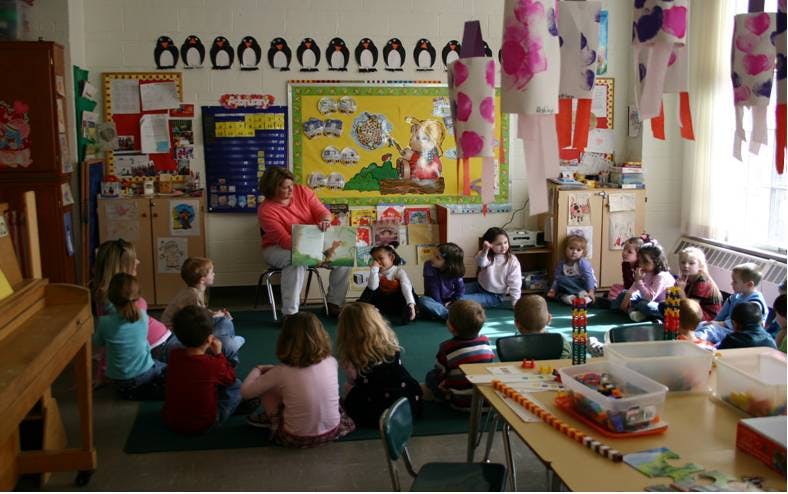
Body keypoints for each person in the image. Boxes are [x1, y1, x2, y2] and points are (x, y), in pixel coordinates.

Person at [240, 312, 355, 447]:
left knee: (268, 385)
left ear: (285, 340)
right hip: (332, 431)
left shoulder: (281, 371)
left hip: (295, 437)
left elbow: (245, 392)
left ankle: (271, 419)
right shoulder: (331, 361)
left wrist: (258, 369)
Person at [257, 167, 350, 317]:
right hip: (277, 248)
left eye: (291, 185)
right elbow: (285, 241)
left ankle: (334, 303)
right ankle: (291, 314)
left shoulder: (303, 191)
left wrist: (325, 220)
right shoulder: (266, 210)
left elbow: (323, 212)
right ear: (273, 188)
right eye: (286, 187)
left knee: (343, 257)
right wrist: (314, 256)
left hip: (313, 243)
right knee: (296, 261)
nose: (291, 190)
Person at [336, 302, 423, 427]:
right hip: (407, 405)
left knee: (348, 387)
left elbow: (353, 381)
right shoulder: (391, 345)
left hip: (377, 412)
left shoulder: (353, 357)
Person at [163, 306, 242, 434]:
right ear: (209, 338)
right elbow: (231, 378)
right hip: (203, 424)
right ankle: (226, 409)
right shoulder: (213, 364)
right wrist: (219, 354)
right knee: (237, 385)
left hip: (172, 421)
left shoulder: (174, 355)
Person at [92, 239, 174, 361]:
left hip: (160, 339)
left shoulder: (103, 292)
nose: (138, 262)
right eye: (133, 260)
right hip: (157, 345)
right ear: (121, 265)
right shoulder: (115, 298)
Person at [93, 273, 166, 400]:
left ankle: (140, 391)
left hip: (119, 384)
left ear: (111, 298)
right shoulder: (142, 316)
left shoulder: (104, 322)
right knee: (172, 368)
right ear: (137, 297)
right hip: (144, 375)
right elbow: (136, 303)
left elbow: (97, 343)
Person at [159, 257, 245, 365]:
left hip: (187, 330)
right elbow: (198, 322)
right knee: (224, 322)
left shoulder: (193, 291)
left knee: (224, 321)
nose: (214, 274)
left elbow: (200, 311)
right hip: (177, 336)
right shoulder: (192, 295)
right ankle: (230, 354)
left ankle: (229, 345)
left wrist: (214, 314)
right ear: (202, 279)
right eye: (211, 272)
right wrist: (216, 316)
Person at [424, 300, 495, 410]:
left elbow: (440, 373)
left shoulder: (446, 348)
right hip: (485, 401)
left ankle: (442, 397)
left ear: (451, 327)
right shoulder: (486, 342)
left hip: (459, 403)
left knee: (431, 376)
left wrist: (443, 384)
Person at [695, 262, 768, 346]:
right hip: (725, 328)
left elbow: (745, 323)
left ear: (749, 284)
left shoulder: (755, 304)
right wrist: (713, 322)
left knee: (711, 330)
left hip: (741, 333)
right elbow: (720, 317)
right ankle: (691, 338)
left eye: (735, 282)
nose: (731, 283)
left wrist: (721, 324)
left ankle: (694, 342)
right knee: (702, 324)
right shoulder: (734, 297)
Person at [358, 244, 418, 325]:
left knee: (407, 288)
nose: (377, 262)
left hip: (397, 302)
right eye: (375, 260)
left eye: (381, 258)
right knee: (369, 289)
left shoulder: (398, 271)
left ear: (392, 258)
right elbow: (372, 288)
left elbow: (406, 287)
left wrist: (410, 304)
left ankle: (410, 312)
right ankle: (362, 311)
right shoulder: (376, 273)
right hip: (383, 303)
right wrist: (374, 270)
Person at [462, 227, 522, 309]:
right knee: (452, 290)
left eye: (505, 242)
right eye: (499, 244)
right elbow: (481, 263)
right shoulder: (485, 254)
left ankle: (446, 306)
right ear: (490, 244)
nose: (503, 246)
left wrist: (515, 303)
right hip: (479, 286)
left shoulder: (512, 261)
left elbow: (515, 283)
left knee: (460, 300)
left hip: (494, 296)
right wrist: (485, 250)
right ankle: (443, 301)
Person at [620, 241, 674, 322]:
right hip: (648, 300)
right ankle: (638, 313)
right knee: (623, 294)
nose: (641, 265)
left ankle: (655, 318)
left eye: (645, 262)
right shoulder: (647, 271)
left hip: (663, 307)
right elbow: (634, 288)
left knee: (643, 305)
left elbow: (649, 298)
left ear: (657, 262)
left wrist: (639, 282)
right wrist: (628, 295)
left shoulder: (661, 276)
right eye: (640, 261)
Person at [418, 243, 465, 320]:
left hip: (450, 300)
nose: (432, 258)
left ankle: (441, 314)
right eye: (433, 254)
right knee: (422, 300)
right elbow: (433, 289)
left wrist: (453, 302)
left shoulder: (456, 271)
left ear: (448, 263)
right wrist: (441, 305)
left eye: (437, 257)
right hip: (434, 299)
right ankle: (450, 316)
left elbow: (460, 290)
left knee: (464, 300)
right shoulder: (428, 265)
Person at [546, 234, 597, 306]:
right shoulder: (562, 264)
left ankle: (584, 295)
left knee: (566, 283)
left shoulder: (583, 263)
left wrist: (591, 291)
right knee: (558, 281)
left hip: (586, 285)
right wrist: (553, 289)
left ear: (583, 253)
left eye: (578, 250)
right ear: (565, 249)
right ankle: (570, 297)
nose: (574, 252)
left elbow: (589, 277)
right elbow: (557, 278)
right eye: (571, 248)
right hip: (570, 286)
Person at [674, 247, 723, 321]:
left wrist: (681, 291)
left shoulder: (703, 281)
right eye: (683, 262)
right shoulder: (686, 276)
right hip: (692, 308)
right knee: (664, 307)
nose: (686, 265)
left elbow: (692, 309)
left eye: (691, 263)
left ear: (700, 266)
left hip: (707, 317)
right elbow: (675, 298)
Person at [608, 236, 644, 310]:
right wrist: (626, 266)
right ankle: (613, 302)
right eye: (624, 249)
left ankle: (615, 303)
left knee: (622, 293)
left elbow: (630, 285)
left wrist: (626, 266)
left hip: (637, 291)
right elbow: (626, 283)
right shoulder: (627, 264)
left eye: (629, 252)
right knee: (615, 287)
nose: (624, 253)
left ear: (638, 256)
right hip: (629, 288)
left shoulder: (640, 267)